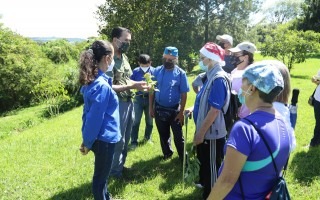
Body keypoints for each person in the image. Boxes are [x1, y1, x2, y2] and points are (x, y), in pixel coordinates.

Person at [207, 62, 292, 200]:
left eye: (243, 83)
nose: (240, 88)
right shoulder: (282, 122)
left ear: (252, 89)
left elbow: (226, 181)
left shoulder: (245, 128)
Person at [185, 42, 229, 199]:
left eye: (202, 58)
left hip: (212, 133)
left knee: (212, 167)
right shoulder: (209, 76)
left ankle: (212, 195)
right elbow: (204, 100)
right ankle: (206, 187)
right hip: (206, 131)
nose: (200, 60)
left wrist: (200, 133)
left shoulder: (218, 79)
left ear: (211, 59)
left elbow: (215, 110)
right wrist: (192, 108)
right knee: (205, 162)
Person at [78, 40, 121, 200]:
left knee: (102, 177)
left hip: (100, 139)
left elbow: (88, 114)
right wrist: (87, 143)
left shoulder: (96, 81)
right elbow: (94, 118)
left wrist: (87, 140)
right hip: (104, 140)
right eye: (113, 56)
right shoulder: (101, 86)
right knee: (99, 180)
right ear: (107, 58)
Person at [106, 27, 147, 178]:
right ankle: (114, 172)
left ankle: (120, 166)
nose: (128, 44)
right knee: (118, 140)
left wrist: (140, 84)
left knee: (127, 137)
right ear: (115, 40)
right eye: (126, 41)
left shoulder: (124, 58)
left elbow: (127, 79)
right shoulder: (108, 59)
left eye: (129, 41)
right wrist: (132, 85)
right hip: (116, 104)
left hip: (129, 102)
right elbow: (108, 86)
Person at [149, 46, 190, 162]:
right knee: (163, 134)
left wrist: (181, 113)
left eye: (171, 59)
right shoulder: (156, 71)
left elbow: (184, 94)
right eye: (166, 58)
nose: (167, 61)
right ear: (163, 57)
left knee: (178, 136)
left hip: (175, 110)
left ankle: (183, 158)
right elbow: (151, 90)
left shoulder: (181, 74)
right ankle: (167, 153)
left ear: (176, 59)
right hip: (159, 108)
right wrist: (151, 108)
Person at [130, 54, 155, 147]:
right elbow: (130, 83)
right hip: (138, 98)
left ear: (150, 63)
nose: (145, 67)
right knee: (135, 121)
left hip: (150, 99)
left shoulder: (153, 71)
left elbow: (156, 84)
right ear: (139, 63)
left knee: (149, 121)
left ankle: (147, 138)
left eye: (147, 65)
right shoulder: (135, 71)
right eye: (142, 65)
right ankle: (133, 141)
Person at [229, 41, 257, 119]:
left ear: (246, 57)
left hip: (245, 118)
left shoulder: (251, 74)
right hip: (232, 115)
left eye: (236, 54)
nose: (233, 56)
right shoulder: (234, 71)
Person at [310, 70, 320, 147]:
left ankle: (314, 142)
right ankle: (315, 142)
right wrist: (315, 80)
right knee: (318, 122)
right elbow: (318, 81)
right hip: (318, 99)